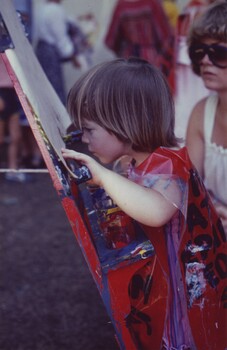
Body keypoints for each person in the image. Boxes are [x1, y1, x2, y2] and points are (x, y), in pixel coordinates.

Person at [61, 57, 226, 350]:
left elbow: (156, 211)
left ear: (124, 124)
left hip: (188, 290)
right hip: (166, 282)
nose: (84, 139)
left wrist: (102, 177)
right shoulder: (137, 163)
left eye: (89, 130)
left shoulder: (169, 164)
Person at [186, 0, 227, 234]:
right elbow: (192, 185)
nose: (205, 61)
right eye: (199, 51)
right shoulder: (201, 113)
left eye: (219, 52)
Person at [104, 0, 175, 90]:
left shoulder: (121, 5)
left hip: (128, 62)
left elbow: (111, 41)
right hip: (152, 62)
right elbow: (166, 37)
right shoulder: (152, 3)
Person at [174, 0, 214, 139]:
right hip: (185, 65)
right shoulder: (189, 9)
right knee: (185, 98)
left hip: (201, 63)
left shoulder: (211, 11)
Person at [35, 0, 81, 104]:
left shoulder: (43, 8)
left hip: (41, 49)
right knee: (55, 88)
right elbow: (61, 37)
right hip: (50, 52)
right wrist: (73, 56)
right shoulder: (55, 10)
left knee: (46, 86)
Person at [0, 55, 27, 182]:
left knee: (16, 136)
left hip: (12, 93)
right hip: (1, 93)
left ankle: (12, 170)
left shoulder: (10, 44)